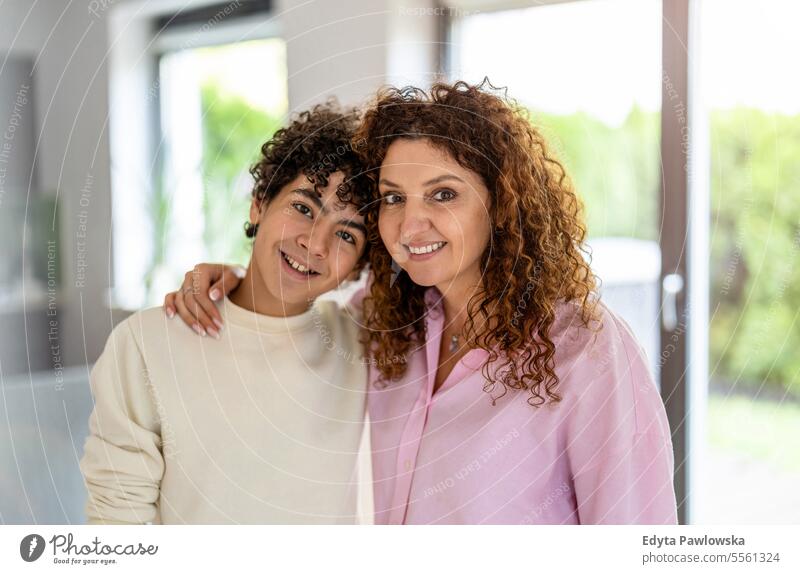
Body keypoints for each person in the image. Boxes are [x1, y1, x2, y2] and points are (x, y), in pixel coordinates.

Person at [167, 80, 678, 524]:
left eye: (443, 194)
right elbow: (293, 323)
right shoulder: (388, 318)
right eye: (393, 198)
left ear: (500, 202)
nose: (411, 226)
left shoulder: (585, 350)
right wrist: (238, 280)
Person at [80, 103, 374, 524]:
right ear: (259, 205)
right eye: (304, 208)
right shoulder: (146, 344)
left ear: (361, 264)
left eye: (346, 234)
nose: (315, 243)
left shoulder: (367, 345)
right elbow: (116, 524)